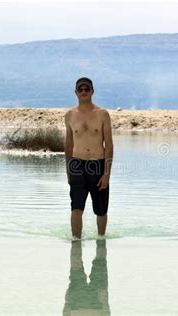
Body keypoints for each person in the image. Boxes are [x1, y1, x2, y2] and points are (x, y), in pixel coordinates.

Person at [64, 77, 113, 240]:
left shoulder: (102, 114)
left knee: (101, 209)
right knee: (76, 207)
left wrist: (107, 173)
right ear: (76, 92)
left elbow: (109, 145)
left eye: (87, 89)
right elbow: (68, 145)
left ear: (92, 91)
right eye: (80, 89)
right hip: (77, 165)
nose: (83, 92)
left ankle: (101, 241)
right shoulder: (70, 115)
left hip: (97, 165)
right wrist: (68, 170)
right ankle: (76, 242)